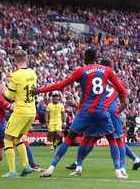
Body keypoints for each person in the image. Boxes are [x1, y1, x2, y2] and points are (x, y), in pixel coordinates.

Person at [30, 48, 127, 178]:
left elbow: (60, 86)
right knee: (112, 139)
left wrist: (40, 90)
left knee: (69, 139)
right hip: (101, 112)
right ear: (96, 58)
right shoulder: (107, 70)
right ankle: (118, 171)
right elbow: (121, 89)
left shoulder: (81, 71)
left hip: (86, 112)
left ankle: (51, 168)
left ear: (86, 58)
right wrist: (122, 101)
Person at [66, 59, 140, 178]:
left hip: (101, 112)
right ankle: (132, 162)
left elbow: (89, 98)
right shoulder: (116, 81)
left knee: (92, 138)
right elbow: (125, 100)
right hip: (108, 113)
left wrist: (77, 106)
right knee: (114, 139)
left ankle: (78, 164)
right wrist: (117, 111)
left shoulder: (100, 79)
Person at [2, 50, 36, 177]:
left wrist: (4, 90)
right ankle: (26, 167)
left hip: (21, 110)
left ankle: (12, 171)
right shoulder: (33, 73)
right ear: (26, 60)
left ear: (15, 61)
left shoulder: (14, 76)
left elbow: (9, 96)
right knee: (18, 137)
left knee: (8, 138)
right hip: (32, 110)